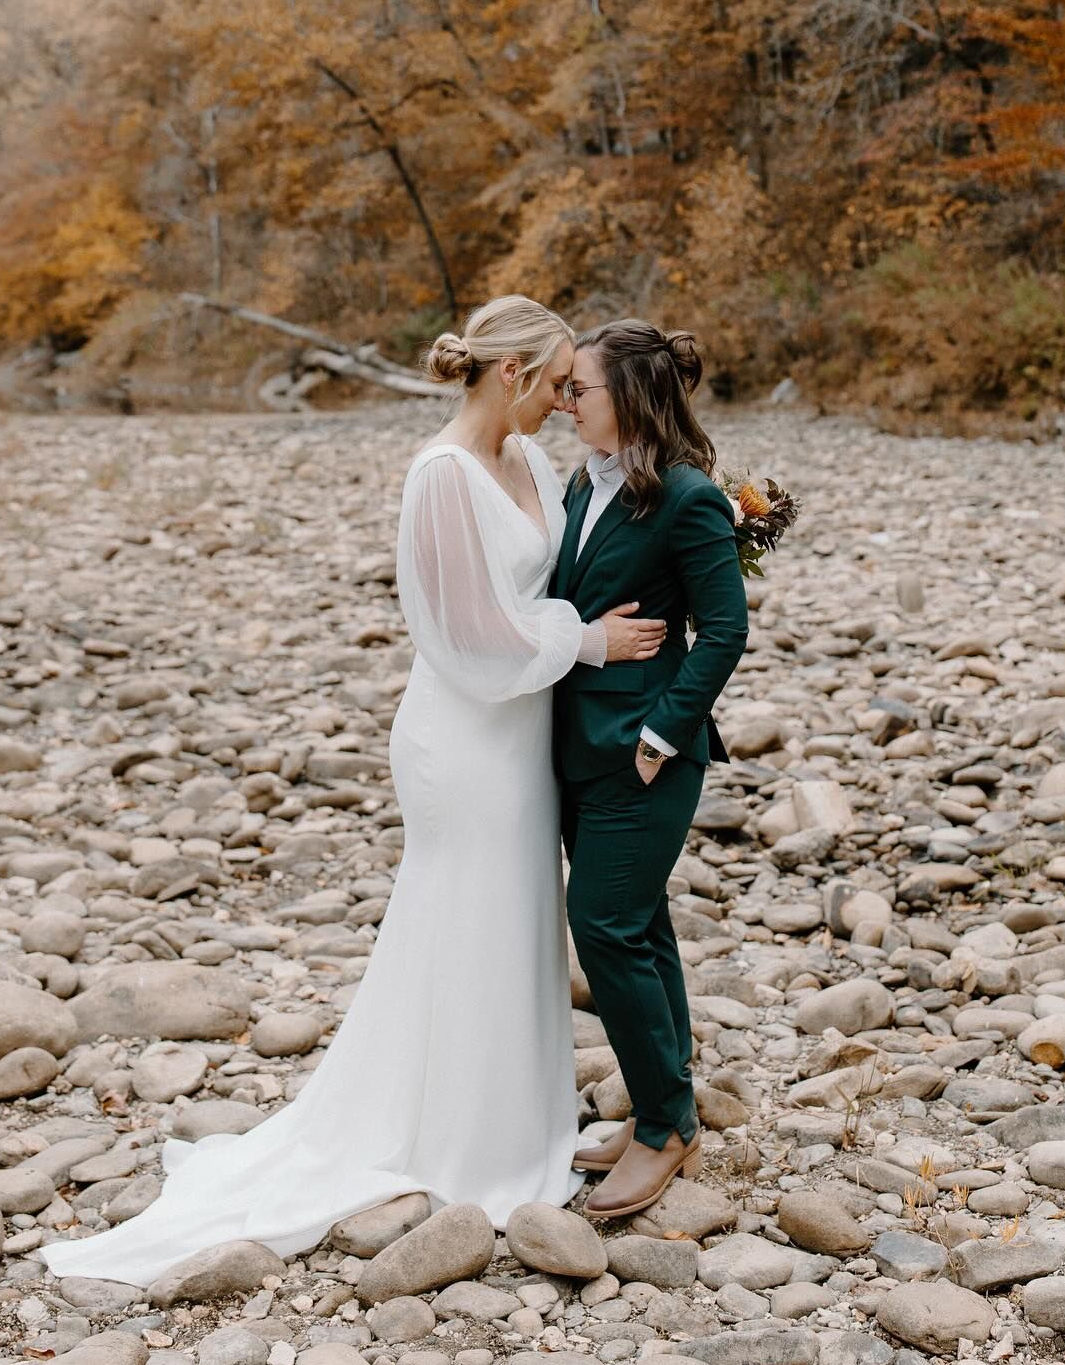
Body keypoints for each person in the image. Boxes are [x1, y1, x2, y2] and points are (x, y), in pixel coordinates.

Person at [40, 296, 665, 1285]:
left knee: (510, 917)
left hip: (521, 733)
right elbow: (469, 639)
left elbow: (570, 569)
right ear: (508, 376)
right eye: (550, 383)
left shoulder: (533, 463)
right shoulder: (443, 477)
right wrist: (590, 644)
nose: (559, 401)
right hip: (463, 738)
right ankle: (455, 1138)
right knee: (463, 911)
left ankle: (512, 1115)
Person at [553, 319, 749, 1218]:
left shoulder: (685, 496)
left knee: (603, 927)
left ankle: (667, 1126)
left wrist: (664, 733)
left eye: (579, 388)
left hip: (644, 758)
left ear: (629, 395)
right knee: (641, 926)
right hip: (573, 749)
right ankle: (663, 1106)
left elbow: (725, 630)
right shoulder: (577, 488)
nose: (565, 400)